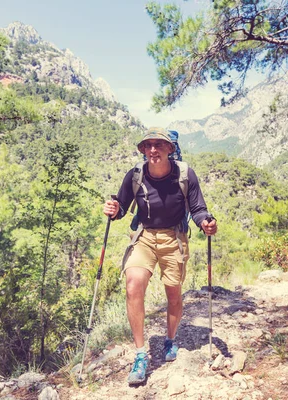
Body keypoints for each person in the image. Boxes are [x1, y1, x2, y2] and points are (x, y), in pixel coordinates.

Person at [103, 127, 217, 385]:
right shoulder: (135, 175)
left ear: (170, 149)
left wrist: (206, 223)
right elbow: (121, 207)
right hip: (144, 236)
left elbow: (198, 208)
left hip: (173, 238)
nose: (153, 150)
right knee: (133, 284)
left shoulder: (185, 175)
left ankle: (170, 340)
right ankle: (141, 354)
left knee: (173, 292)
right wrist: (113, 208)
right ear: (143, 150)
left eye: (159, 145)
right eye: (148, 145)